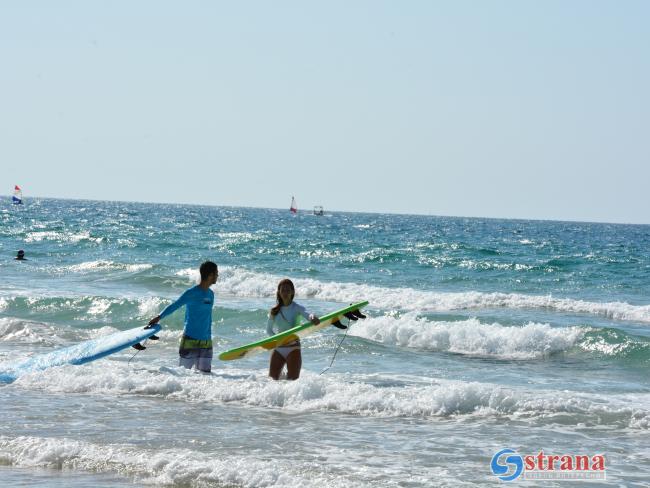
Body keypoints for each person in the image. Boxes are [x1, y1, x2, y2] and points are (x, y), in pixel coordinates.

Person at [149, 261, 218, 373]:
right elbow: (175, 305)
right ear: (210, 275)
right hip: (190, 339)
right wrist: (159, 317)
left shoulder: (211, 294)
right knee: (183, 374)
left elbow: (207, 317)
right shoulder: (191, 293)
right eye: (216, 273)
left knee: (205, 376)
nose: (217, 276)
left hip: (206, 342)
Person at [266, 279, 319, 380]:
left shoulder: (296, 308)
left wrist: (312, 317)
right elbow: (269, 330)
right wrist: (278, 340)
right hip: (279, 348)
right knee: (272, 380)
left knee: (292, 381)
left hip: (293, 348)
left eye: (288, 290)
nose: (285, 293)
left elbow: (307, 314)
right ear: (279, 292)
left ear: (292, 292)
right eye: (283, 290)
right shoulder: (274, 311)